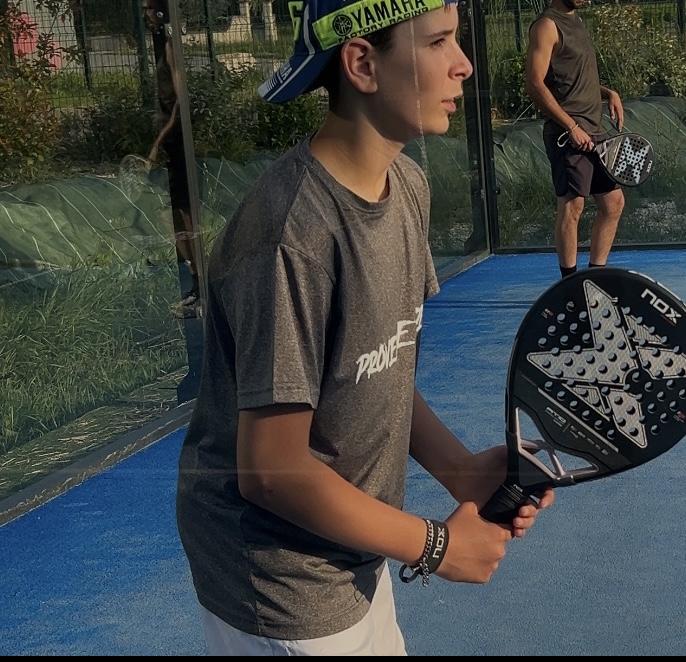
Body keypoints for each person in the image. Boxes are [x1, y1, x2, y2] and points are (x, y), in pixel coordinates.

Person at [173, 0, 555, 655]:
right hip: (280, 581)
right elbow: (272, 471)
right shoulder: (291, 235)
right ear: (362, 64)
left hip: (352, 552)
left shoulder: (406, 186)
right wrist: (435, 545)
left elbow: (378, 367)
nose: (464, 64)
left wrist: (460, 470)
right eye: (438, 42)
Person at [525, 0, 626, 279]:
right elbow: (534, 83)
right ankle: (569, 282)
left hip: (594, 130)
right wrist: (571, 126)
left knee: (613, 203)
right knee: (573, 205)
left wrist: (608, 93)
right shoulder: (547, 26)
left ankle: (595, 276)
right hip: (566, 133)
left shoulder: (576, 21)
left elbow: (575, 78)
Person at [143, 0, 203, 319]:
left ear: (161, 11)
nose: (145, 14)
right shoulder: (164, 44)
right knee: (177, 216)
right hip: (171, 141)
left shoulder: (170, 48)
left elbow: (181, 102)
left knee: (186, 215)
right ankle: (196, 286)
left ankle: (202, 289)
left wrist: (158, 142)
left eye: (149, 8)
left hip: (179, 140)